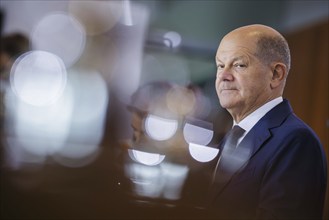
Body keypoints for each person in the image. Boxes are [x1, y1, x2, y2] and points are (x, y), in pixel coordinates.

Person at [205, 24, 327, 220]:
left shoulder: (296, 142)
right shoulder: (230, 137)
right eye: (220, 65)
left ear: (276, 74)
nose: (224, 76)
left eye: (239, 65)